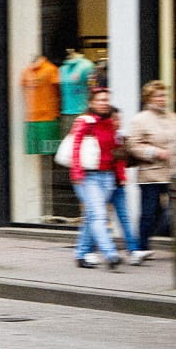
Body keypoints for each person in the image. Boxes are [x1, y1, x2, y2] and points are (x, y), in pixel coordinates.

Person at [126, 81, 176, 264]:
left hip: (174, 172)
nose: (162, 99)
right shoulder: (140, 119)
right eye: (158, 96)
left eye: (164, 95)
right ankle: (141, 247)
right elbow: (133, 145)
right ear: (149, 98)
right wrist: (155, 152)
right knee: (149, 213)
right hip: (151, 174)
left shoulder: (174, 118)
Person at [69, 87, 127, 270]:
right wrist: (77, 171)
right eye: (100, 100)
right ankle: (110, 254)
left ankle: (81, 253)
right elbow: (75, 146)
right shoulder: (85, 121)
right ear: (91, 103)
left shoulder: (111, 122)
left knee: (91, 217)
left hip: (107, 176)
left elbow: (116, 151)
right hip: (88, 176)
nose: (104, 103)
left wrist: (120, 175)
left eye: (106, 100)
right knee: (99, 216)